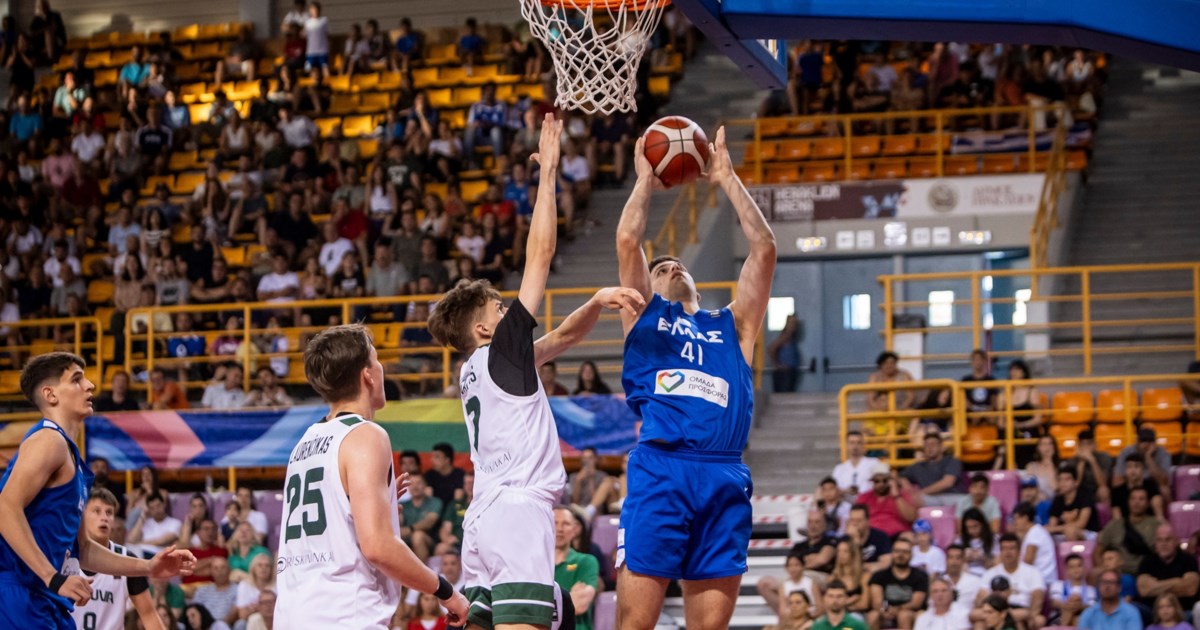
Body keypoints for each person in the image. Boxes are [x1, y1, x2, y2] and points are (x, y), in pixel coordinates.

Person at [426, 114, 641, 629]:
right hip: (519, 510)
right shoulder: (500, 350)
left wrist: (594, 301)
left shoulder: (478, 370)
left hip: (483, 517)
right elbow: (540, 253)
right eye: (497, 309)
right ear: (482, 330)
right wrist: (547, 176)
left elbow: (563, 339)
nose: (507, 313)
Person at [612, 123, 774, 629]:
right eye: (661, 269)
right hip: (663, 468)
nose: (672, 266)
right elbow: (627, 238)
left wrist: (725, 176)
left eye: (678, 264)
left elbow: (764, 249)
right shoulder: (645, 316)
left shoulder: (734, 325)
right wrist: (644, 179)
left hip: (723, 471)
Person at [272, 326, 470, 627]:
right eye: (377, 361)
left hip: (294, 612)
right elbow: (378, 547)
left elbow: (332, 528)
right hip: (342, 613)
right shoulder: (365, 435)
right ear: (367, 375)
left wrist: (384, 508)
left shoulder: (305, 443)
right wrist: (446, 591)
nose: (381, 369)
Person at [0, 353, 195, 627]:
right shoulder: (48, 440)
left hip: (43, 595)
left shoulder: (69, 455)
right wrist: (52, 577)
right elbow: (4, 508)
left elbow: (85, 549)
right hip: (19, 591)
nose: (90, 385)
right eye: (77, 379)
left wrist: (149, 566)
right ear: (51, 395)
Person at [65, 487, 163, 630]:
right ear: (83, 515)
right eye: (96, 511)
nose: (104, 517)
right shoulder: (65, 556)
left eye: (109, 512)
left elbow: (148, 614)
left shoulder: (126, 558)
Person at [976, 534, 1046, 629]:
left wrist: (1031, 616)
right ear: (1000, 552)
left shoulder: (1033, 572)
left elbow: (1037, 598)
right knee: (979, 622)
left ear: (1019, 551)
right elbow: (981, 599)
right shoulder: (990, 573)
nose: (1008, 552)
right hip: (995, 610)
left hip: (1022, 609)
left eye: (1012, 548)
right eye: (1004, 548)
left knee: (1033, 619)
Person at [1136, 523, 1199, 621]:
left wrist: (1156, 585)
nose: (1163, 543)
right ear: (1155, 542)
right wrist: (1178, 582)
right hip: (1153, 613)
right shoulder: (1147, 561)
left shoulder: (1188, 560)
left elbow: (1190, 589)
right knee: (1133, 609)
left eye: (1168, 539)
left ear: (1176, 541)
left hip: (1183, 612)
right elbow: (1144, 590)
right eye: (1159, 540)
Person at [867, 536, 929, 630]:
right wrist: (884, 610)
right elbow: (877, 602)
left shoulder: (920, 576)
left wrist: (897, 610)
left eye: (905, 552)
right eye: (897, 551)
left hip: (910, 613)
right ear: (892, 553)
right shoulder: (879, 576)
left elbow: (916, 603)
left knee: (904, 615)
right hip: (885, 612)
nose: (900, 555)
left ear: (911, 555)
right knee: (873, 615)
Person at [1095, 486, 1160, 574]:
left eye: (1141, 499)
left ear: (1148, 503)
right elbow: (1097, 552)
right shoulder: (1114, 525)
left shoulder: (1156, 525)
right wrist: (1105, 571)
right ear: (1128, 502)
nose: (1136, 502)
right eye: (1133, 498)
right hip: (1118, 574)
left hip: (1145, 573)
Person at [553, 506, 596, 630]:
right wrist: (569, 597)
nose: (560, 529)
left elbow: (579, 605)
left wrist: (546, 605)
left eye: (565, 524)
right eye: (555, 523)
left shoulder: (587, 562)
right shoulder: (536, 564)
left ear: (575, 529)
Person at [855, 461, 917, 538]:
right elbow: (856, 519)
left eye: (885, 480)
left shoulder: (901, 495)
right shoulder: (864, 497)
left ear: (890, 481)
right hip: (872, 536)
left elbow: (911, 518)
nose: (881, 484)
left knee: (909, 536)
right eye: (877, 481)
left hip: (897, 535)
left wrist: (896, 496)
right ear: (872, 482)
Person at [902, 432, 964, 507]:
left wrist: (921, 492)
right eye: (926, 445)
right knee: (912, 499)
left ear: (941, 447)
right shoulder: (918, 466)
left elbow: (947, 483)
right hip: (929, 498)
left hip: (951, 496)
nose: (929, 448)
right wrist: (906, 485)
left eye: (933, 444)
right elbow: (899, 476)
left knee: (966, 501)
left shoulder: (952, 460)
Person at [1078, 569, 1144, 630]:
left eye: (1111, 582)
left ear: (1119, 587)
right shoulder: (1088, 613)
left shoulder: (1131, 613)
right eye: (1104, 582)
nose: (1107, 586)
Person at [1010, 502, 1057, 585]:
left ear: (1025, 518)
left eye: (1016, 519)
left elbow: (1028, 562)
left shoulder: (1035, 533)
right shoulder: (1033, 532)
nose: (1015, 523)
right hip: (1037, 579)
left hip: (1043, 580)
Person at [1048, 464, 1099, 540]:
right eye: (1060, 480)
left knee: (1070, 531)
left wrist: (1061, 528)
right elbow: (1052, 525)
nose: (1063, 483)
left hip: (1088, 534)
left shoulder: (1085, 496)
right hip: (1064, 533)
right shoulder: (1057, 500)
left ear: (1075, 482)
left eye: (1067, 479)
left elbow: (1081, 524)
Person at [1115, 427, 1172, 493]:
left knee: (1164, 489)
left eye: (1150, 441)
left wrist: (1148, 457)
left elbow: (1163, 481)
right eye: (1143, 441)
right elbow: (1117, 480)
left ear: (1155, 443)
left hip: (1152, 486)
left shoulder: (1162, 453)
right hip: (1131, 485)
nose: (1146, 444)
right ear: (1137, 442)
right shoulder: (1126, 452)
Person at [1050, 553, 1098, 627]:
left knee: (1078, 618)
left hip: (1082, 616)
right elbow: (1054, 602)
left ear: (1084, 568)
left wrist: (1080, 606)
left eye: (1079, 566)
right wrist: (1071, 604)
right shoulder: (1058, 584)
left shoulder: (1090, 589)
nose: (1076, 569)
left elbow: (1092, 607)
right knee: (1073, 601)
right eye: (1071, 567)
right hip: (1059, 616)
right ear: (1066, 569)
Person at [567, 447, 612, 520]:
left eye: (590, 458)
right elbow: (574, 501)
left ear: (595, 459)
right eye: (584, 458)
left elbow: (599, 503)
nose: (587, 461)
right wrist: (578, 481)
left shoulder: (602, 476)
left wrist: (591, 480)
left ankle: (589, 511)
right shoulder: (574, 476)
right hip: (578, 510)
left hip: (595, 511)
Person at [833, 431, 881, 496]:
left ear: (863, 445)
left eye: (858, 443)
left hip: (868, 503)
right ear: (846, 445)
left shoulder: (875, 462)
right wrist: (845, 490)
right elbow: (832, 489)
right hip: (846, 504)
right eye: (851, 443)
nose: (855, 446)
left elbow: (886, 481)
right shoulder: (839, 468)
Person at [423, 442, 465, 506]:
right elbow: (428, 497)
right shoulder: (430, 475)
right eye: (432, 457)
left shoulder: (459, 474)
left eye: (437, 457)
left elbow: (459, 497)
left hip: (453, 509)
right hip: (435, 510)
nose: (432, 460)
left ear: (447, 459)